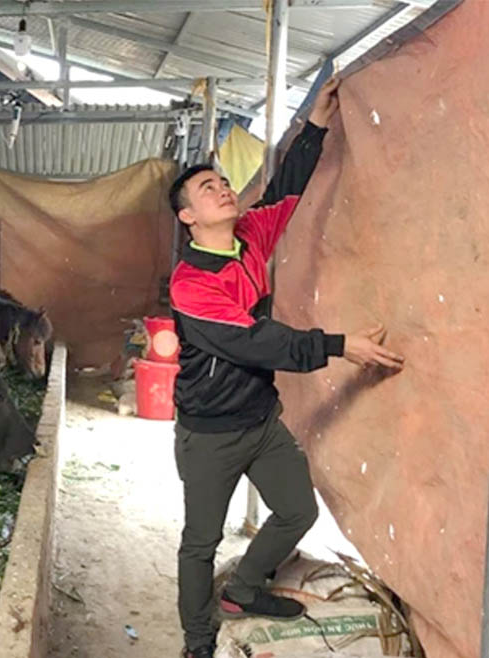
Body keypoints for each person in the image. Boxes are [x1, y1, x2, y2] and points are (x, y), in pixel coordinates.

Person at [167, 76, 405, 658]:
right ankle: (198, 642)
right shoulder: (191, 286)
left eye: (223, 181)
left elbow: (288, 186)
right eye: (207, 188)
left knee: (297, 509)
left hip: (261, 421)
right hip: (209, 434)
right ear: (187, 216)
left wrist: (317, 121)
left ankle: (244, 591)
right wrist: (339, 344)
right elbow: (258, 342)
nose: (223, 189)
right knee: (200, 543)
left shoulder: (250, 236)